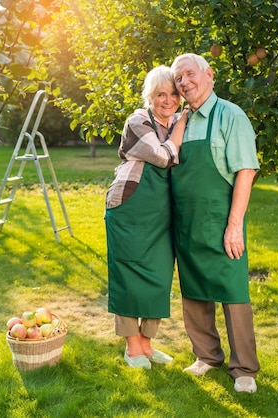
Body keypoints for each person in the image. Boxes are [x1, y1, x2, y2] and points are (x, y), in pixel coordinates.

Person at [170, 53, 260, 393]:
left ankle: (244, 368)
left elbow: (245, 171)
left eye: (190, 74)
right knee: (193, 290)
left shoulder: (229, 115)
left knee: (233, 291)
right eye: (179, 78)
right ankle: (206, 356)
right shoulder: (182, 120)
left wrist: (234, 224)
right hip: (187, 221)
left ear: (209, 75)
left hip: (221, 219)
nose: (184, 82)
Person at [106, 66, 188, 370]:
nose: (167, 100)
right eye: (159, 94)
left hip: (163, 211)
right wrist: (180, 127)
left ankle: (147, 344)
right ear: (149, 97)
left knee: (159, 274)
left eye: (172, 94)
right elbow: (163, 156)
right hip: (129, 206)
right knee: (128, 273)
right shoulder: (138, 120)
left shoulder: (179, 120)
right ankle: (132, 347)